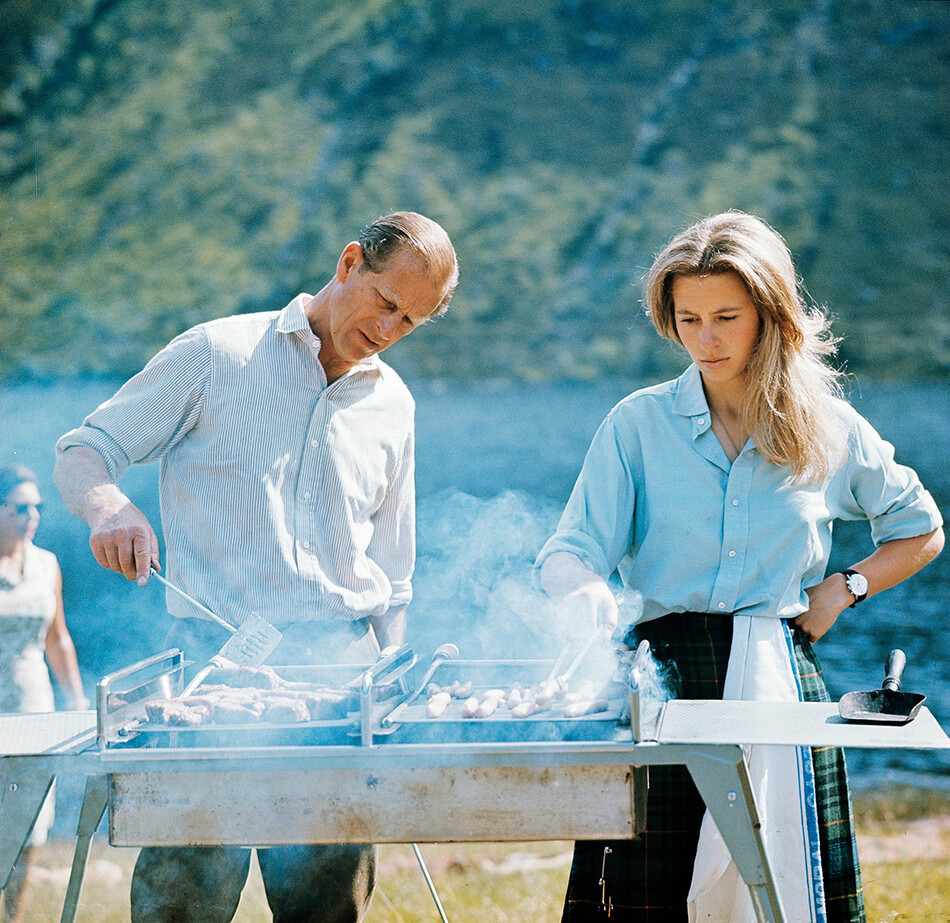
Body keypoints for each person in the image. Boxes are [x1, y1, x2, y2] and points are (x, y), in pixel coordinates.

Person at [535, 211, 944, 923]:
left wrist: (845, 588)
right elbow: (567, 553)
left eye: (726, 317)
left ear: (769, 315)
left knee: (784, 895)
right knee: (645, 903)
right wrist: (588, 587)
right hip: (662, 685)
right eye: (688, 319)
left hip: (782, 682)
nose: (706, 339)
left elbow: (922, 529)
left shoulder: (829, 426)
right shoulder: (637, 424)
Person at [54, 211, 459, 923]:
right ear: (349, 263)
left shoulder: (393, 404)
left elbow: (392, 575)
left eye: (411, 321)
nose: (389, 328)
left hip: (339, 680)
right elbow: (84, 450)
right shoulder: (216, 354)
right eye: (386, 301)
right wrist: (108, 507)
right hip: (213, 670)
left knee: (326, 908)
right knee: (184, 903)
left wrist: (389, 680)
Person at [0, 465, 87, 923]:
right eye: (20, 508)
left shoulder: (47, 563)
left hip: (33, 706)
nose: (32, 516)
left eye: (37, 507)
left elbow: (57, 638)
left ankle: (13, 917)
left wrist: (77, 703)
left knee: (29, 822)